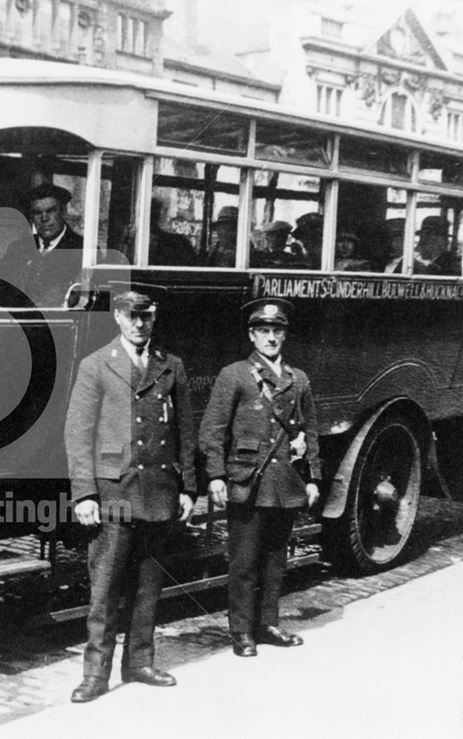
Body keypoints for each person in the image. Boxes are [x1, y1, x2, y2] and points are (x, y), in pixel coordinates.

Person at [65, 285, 196, 703]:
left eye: (147, 317)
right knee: (104, 587)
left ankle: (139, 661)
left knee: (148, 584)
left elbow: (185, 432)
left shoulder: (170, 364)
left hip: (158, 491)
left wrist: (188, 486)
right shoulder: (97, 364)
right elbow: (78, 432)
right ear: (118, 318)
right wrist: (84, 493)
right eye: (132, 316)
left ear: (154, 318)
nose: (140, 324)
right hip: (113, 491)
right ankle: (95, 674)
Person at [198, 298, 321, 658]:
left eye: (277, 331)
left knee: (275, 560)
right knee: (244, 561)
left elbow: (310, 432)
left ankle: (267, 624)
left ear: (285, 335)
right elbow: (212, 430)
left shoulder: (298, 380)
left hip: (284, 483)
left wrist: (312, 478)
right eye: (264, 331)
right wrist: (217, 476)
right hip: (248, 481)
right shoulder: (234, 374)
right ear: (252, 335)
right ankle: (241, 632)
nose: (271, 338)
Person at [1, 183, 83, 305]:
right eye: (37, 212)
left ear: (63, 212)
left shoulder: (83, 250)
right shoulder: (17, 249)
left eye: (51, 211)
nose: (44, 218)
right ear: (31, 217)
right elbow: (1, 290)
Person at [148, 199, 197, 266]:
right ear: (162, 212)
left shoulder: (179, 241)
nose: (176, 212)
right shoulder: (180, 242)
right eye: (174, 209)